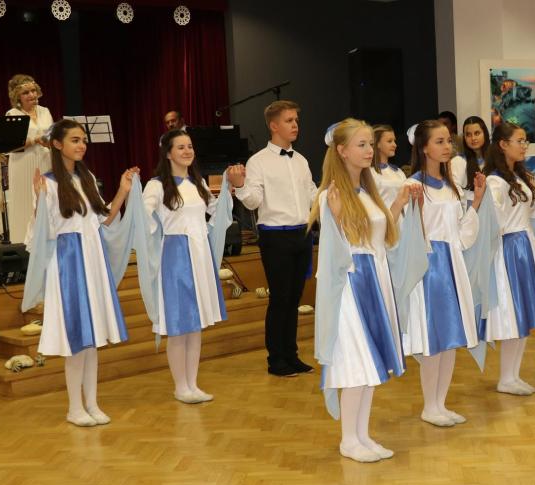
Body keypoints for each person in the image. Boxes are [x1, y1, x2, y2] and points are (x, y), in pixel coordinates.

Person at [311, 118, 423, 462]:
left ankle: (362, 434)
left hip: (375, 281)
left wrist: (399, 203)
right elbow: (338, 248)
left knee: (370, 365)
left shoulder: (368, 191)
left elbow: (383, 237)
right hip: (350, 285)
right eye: (361, 145)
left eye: (370, 144)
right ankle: (348, 440)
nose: (369, 150)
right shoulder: (331, 195)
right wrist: (336, 217)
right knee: (355, 362)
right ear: (342, 151)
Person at [23, 119, 137, 427]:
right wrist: (38, 201)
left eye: (83, 140)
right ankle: (75, 407)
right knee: (77, 337)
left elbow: (103, 220)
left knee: (92, 337)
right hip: (68, 263)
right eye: (75, 140)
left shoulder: (86, 178)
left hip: (92, 260)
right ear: (57, 144)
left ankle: (92, 403)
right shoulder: (48, 183)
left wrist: (123, 191)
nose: (81, 145)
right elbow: (40, 233)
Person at [142, 129, 246, 403]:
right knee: (179, 325)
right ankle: (181, 386)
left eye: (189, 146)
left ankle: (193, 383)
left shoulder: (197, 182)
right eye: (180, 147)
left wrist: (228, 188)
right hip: (175, 256)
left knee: (195, 324)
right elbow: (143, 217)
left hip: (200, 255)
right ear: (167, 153)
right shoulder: (156, 185)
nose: (187, 151)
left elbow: (216, 210)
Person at [406, 119, 485, 427]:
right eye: (439, 141)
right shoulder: (413, 185)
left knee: (451, 336)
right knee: (433, 338)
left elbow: (461, 234)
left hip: (451, 263)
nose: (447, 146)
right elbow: (407, 234)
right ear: (424, 148)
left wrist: (476, 201)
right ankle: (429, 405)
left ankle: (441, 402)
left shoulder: (451, 186)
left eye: (448, 141)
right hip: (430, 268)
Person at [236, 100, 317, 377]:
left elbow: (312, 195)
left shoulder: (301, 160)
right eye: (289, 120)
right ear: (273, 125)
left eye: (296, 120)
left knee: (294, 298)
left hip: (302, 233)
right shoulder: (258, 161)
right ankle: (276, 360)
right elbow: (252, 201)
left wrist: (331, 196)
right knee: (280, 298)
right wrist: (239, 186)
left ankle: (291, 355)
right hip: (275, 236)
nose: (295, 125)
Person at [481, 122, 535, 395]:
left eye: (526, 141)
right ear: (503, 144)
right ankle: (506, 377)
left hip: (525, 246)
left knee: (524, 311)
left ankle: (514, 374)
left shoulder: (519, 177)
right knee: (512, 314)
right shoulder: (494, 181)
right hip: (509, 249)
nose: (524, 146)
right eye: (519, 141)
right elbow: (492, 221)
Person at [6, 74, 53, 244]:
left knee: (45, 201)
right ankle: (23, 243)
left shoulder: (45, 111)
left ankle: (46, 242)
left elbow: (52, 135)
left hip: (45, 162)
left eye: (33, 91)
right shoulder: (12, 114)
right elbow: (11, 145)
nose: (31, 95)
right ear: (17, 96)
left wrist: (50, 142)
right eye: (26, 92)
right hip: (22, 164)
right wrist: (34, 140)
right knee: (24, 203)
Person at [452, 115, 490, 206]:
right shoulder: (458, 161)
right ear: (464, 137)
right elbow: (455, 193)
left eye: (477, 133)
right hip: (471, 209)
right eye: (468, 135)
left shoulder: (495, 159)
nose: (473, 138)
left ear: (485, 134)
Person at [369, 124, 407, 206]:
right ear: (377, 143)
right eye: (389, 141)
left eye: (394, 141)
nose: (395, 145)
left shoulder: (399, 172)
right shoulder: (368, 172)